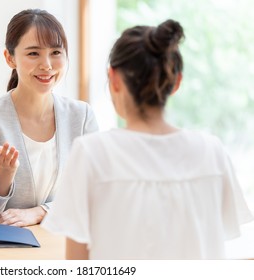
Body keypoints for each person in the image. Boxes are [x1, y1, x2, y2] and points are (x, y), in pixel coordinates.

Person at [42, 19, 253, 259]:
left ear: (114, 79)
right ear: (176, 82)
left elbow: (78, 265)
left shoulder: (92, 153)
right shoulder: (212, 151)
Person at [0, 9, 99, 227]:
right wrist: (3, 175)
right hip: (4, 251)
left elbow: (94, 194)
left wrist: (41, 212)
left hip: (61, 244)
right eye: (33, 53)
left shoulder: (81, 117)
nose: (47, 65)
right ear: (10, 58)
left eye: (55, 52)